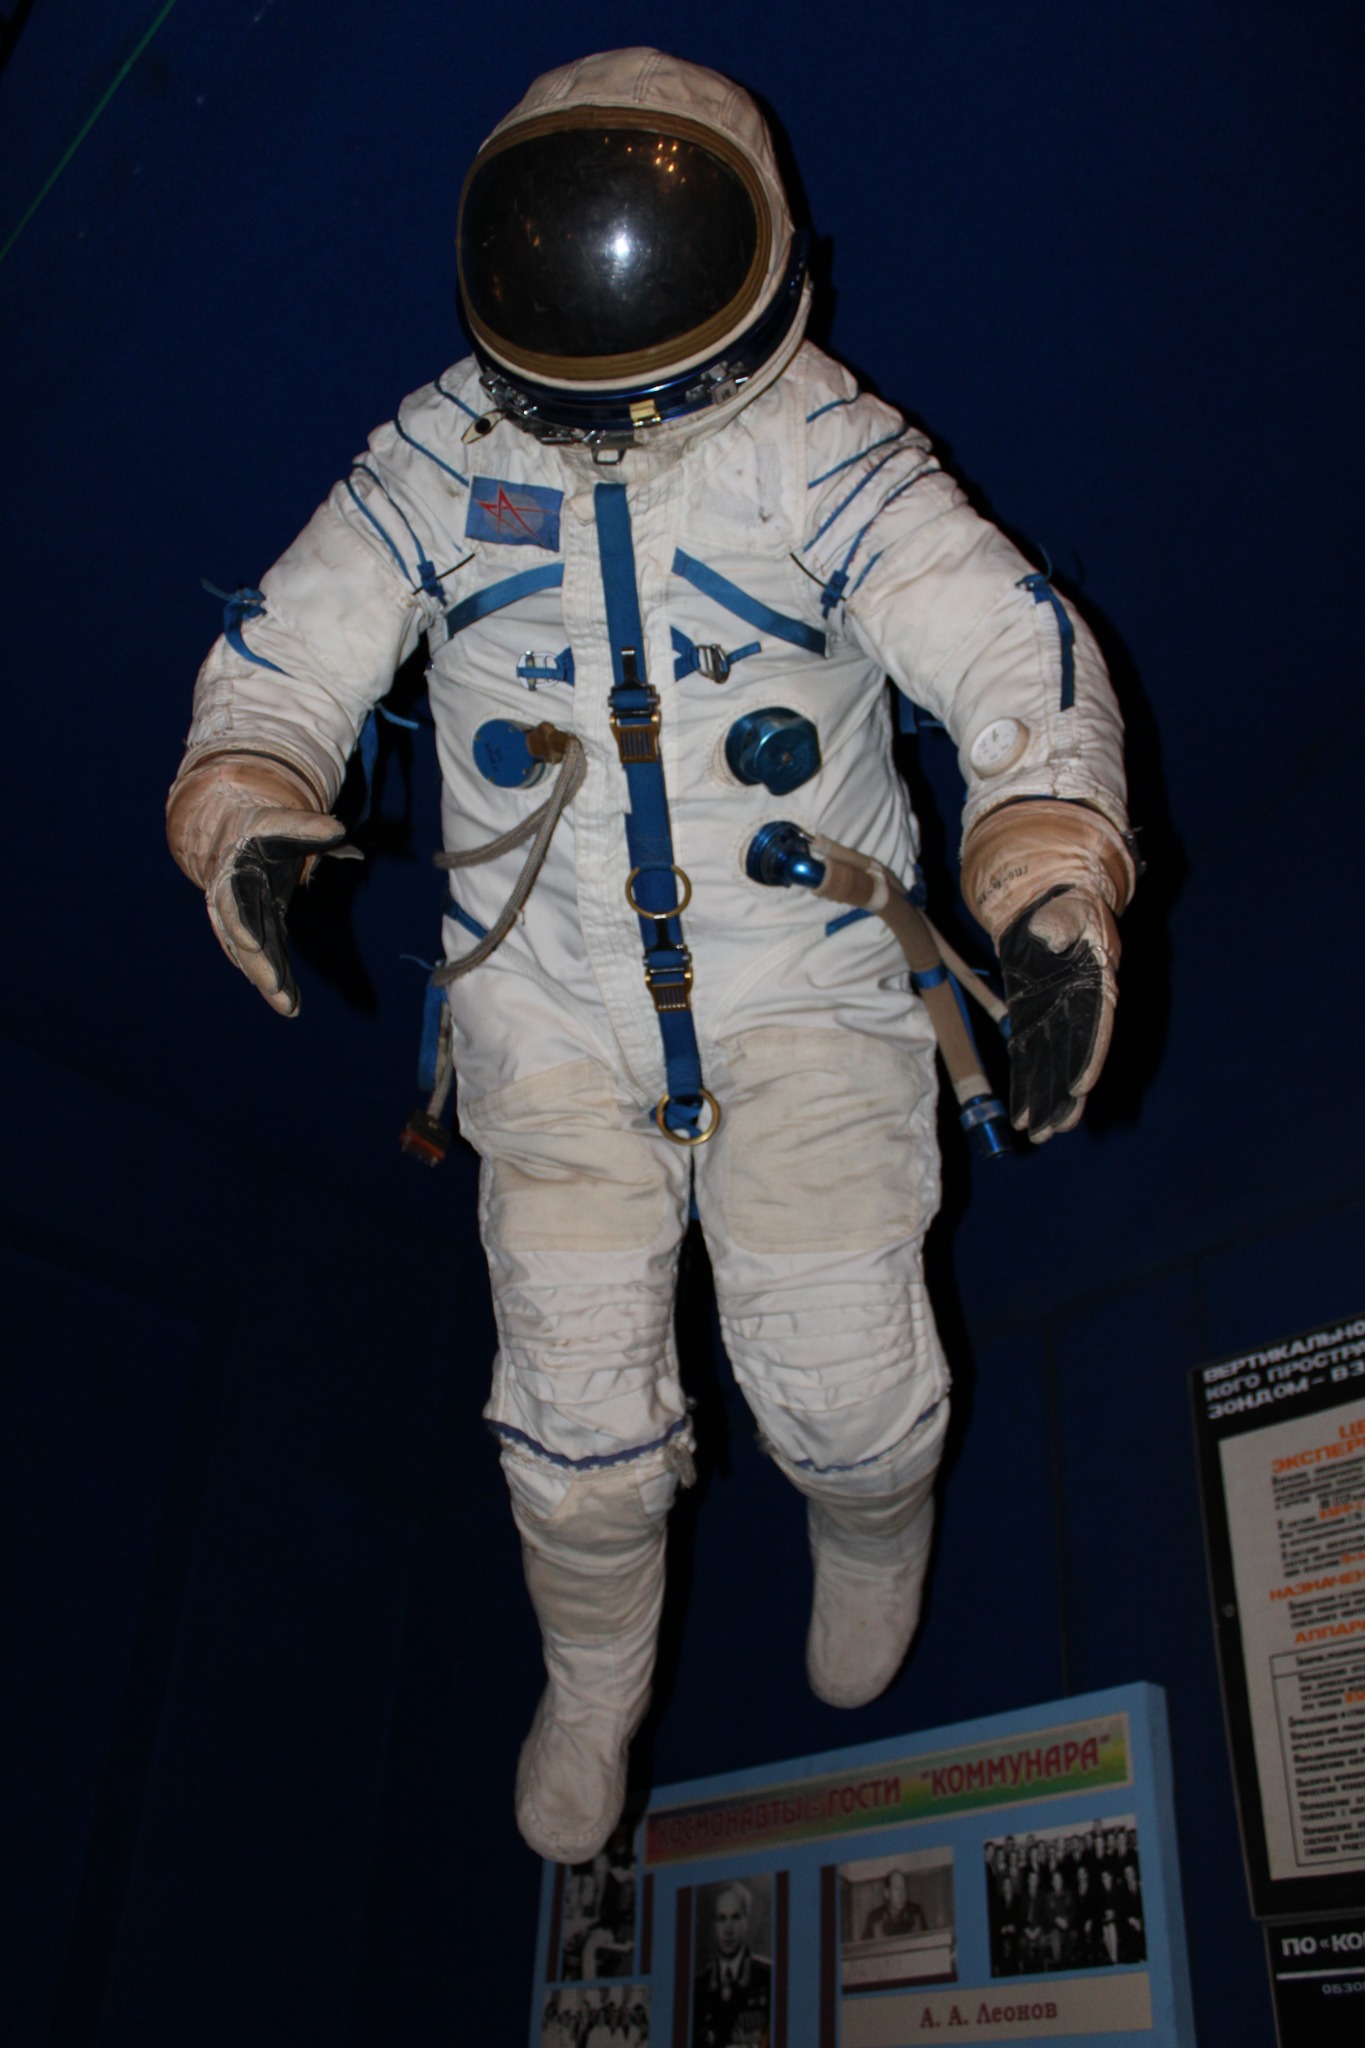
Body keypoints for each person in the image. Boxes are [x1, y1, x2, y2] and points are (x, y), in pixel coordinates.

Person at [165, 47, 1135, 1864]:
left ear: (763, 259)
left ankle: (870, 1523)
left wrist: (1044, 874)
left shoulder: (819, 447)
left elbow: (1008, 648)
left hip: (810, 995)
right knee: (571, 1424)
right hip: (550, 1018)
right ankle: (594, 1675)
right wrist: (250, 798)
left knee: (843, 1382)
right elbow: (289, 654)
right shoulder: (441, 457)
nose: (599, 303)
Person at [692, 1884, 771, 2048]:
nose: (728, 1929)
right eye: (722, 1918)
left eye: (735, 1917)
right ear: (714, 1926)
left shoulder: (769, 1977)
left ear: (746, 1922)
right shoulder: (697, 1987)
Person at [862, 1868, 927, 1940]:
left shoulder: (915, 1913)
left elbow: (927, 1942)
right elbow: (866, 1945)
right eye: (896, 1889)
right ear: (887, 1893)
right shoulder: (876, 1918)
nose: (901, 1894)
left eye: (903, 1888)